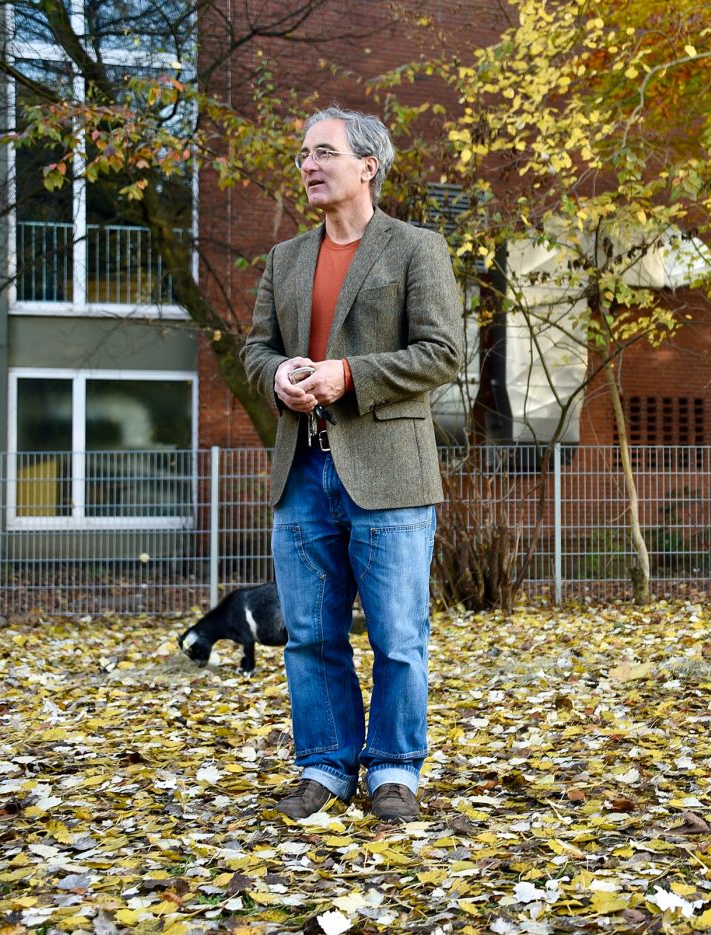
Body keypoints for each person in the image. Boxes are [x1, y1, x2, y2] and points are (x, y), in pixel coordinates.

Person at [242, 106, 463, 821]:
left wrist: (348, 376)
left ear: (367, 164)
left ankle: (395, 768)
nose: (308, 164)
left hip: (391, 474)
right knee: (309, 635)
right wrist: (277, 377)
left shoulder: (415, 248)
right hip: (301, 472)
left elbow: (443, 353)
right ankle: (325, 767)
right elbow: (255, 349)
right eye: (303, 153)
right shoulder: (283, 259)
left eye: (324, 152)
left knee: (399, 636)